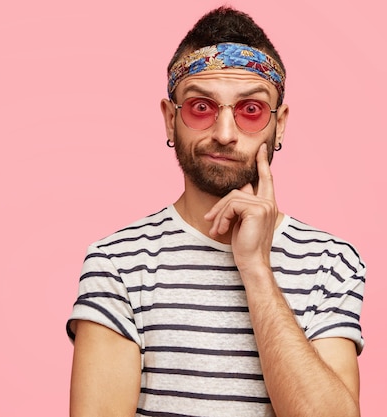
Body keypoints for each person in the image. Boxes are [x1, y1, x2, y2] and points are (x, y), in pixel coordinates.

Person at [66, 6, 365, 417]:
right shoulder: (118, 262)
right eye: (201, 107)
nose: (224, 134)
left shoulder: (332, 263)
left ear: (279, 126)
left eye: (251, 110)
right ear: (171, 119)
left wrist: (256, 269)